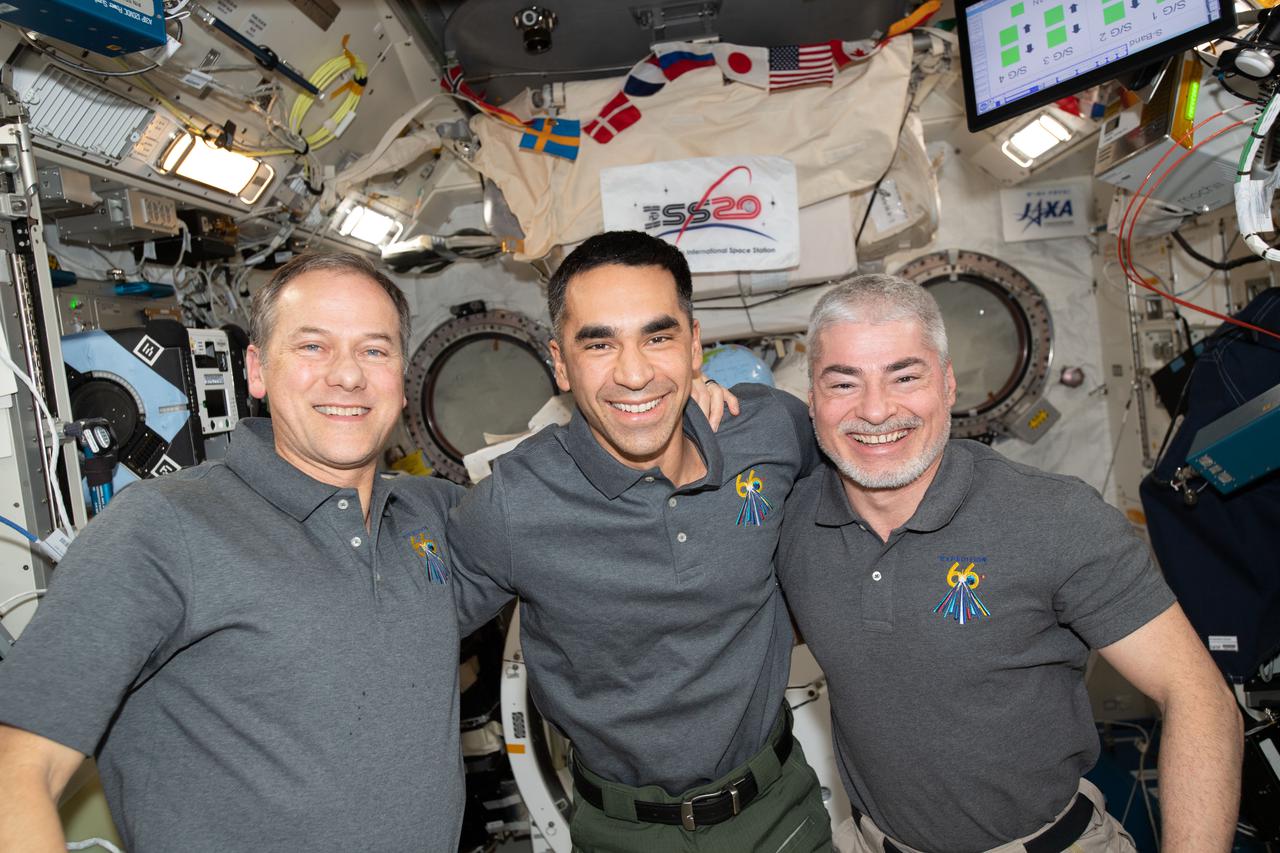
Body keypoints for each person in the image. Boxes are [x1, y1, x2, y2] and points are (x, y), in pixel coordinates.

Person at [0, 252, 468, 852]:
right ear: (256, 370)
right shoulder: (160, 527)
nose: (348, 375)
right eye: (313, 347)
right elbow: (18, 770)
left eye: (375, 350)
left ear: (401, 378)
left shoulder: (430, 514)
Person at [778, 274, 1244, 853]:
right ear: (813, 399)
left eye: (905, 376)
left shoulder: (1054, 517)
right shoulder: (790, 523)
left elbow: (1198, 696)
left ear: (948, 384)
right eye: (844, 382)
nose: (876, 409)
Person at [448, 230, 833, 853]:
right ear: (559, 363)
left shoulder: (767, 429)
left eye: (658, 338)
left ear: (694, 345)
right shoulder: (513, 504)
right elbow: (404, 625)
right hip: (624, 834)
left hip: (782, 813)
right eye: (599, 343)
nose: (634, 374)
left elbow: (853, 499)